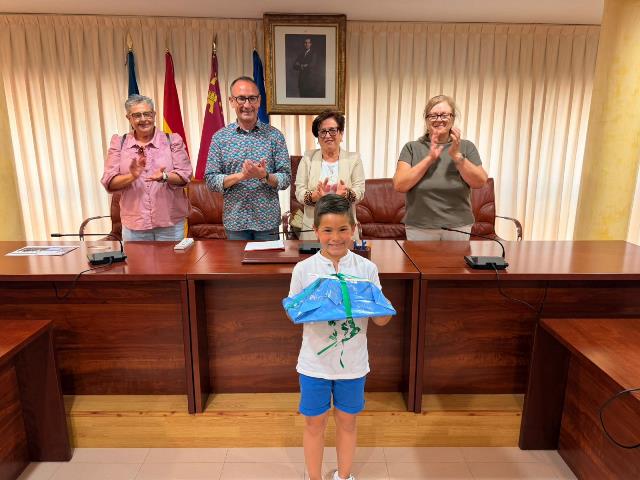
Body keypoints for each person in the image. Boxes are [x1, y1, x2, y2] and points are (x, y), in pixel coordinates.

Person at [288, 194, 392, 480]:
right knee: (314, 424)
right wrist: (318, 301)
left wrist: (380, 308)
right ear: (316, 231)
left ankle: (344, 476)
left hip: (353, 365)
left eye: (343, 229)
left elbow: (381, 319)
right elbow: (293, 313)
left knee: (347, 422)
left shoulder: (366, 270)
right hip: (314, 365)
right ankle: (314, 477)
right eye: (327, 230)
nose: (335, 238)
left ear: (354, 229)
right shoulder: (304, 270)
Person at [205, 76, 291, 240]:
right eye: (241, 99)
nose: (247, 105)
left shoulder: (275, 136)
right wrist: (241, 176)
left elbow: (286, 178)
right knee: (236, 259)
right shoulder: (220, 138)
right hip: (235, 223)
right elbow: (210, 180)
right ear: (231, 101)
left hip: (267, 223)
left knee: (269, 259)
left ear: (259, 101)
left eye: (252, 98)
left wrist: (265, 176)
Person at [393, 94, 488, 240]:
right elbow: (400, 184)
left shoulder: (467, 147)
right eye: (433, 116)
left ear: (453, 118)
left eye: (444, 115)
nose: (439, 119)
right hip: (419, 226)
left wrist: (457, 156)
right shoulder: (411, 147)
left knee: (456, 257)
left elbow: (480, 182)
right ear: (426, 120)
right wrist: (429, 158)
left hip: (458, 226)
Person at [101, 94, 192, 241]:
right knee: (135, 258)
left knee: (173, 258)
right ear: (129, 118)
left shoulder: (172, 140)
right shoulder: (119, 143)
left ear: (154, 115)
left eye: (147, 114)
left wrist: (165, 177)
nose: (143, 119)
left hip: (170, 223)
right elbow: (109, 182)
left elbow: (185, 176)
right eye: (137, 115)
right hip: (134, 226)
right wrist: (132, 176)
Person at [294, 110, 365, 240]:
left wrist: (346, 194)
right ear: (318, 136)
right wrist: (315, 196)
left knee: (346, 254)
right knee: (313, 254)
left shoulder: (354, 159)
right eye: (323, 131)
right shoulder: (308, 158)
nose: (327, 136)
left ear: (341, 133)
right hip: (313, 228)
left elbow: (360, 192)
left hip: (345, 227)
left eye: (332, 130)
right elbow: (299, 192)